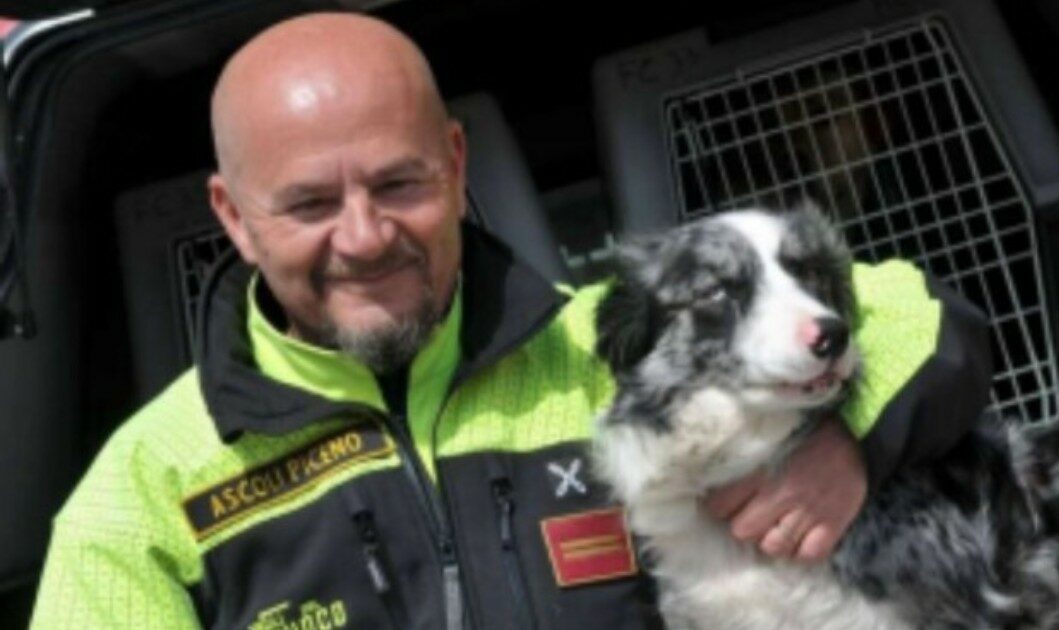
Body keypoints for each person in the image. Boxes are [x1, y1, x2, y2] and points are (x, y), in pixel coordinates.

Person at [30, 12, 991, 629]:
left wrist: (851, 436)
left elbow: (917, 314)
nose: (364, 238)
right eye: (311, 205)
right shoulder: (146, 489)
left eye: (399, 184)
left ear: (454, 164)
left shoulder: (612, 345)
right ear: (233, 219)